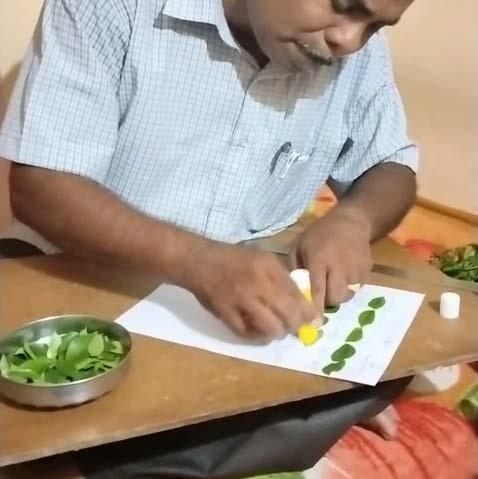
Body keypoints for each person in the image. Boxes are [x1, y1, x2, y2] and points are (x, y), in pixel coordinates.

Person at [0, 0, 417, 476]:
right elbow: (41, 187)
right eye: (343, 5)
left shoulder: (358, 53)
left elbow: (392, 165)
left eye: (375, 26)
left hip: (239, 298)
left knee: (399, 362)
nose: (349, 39)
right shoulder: (110, 7)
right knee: (39, 380)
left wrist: (354, 221)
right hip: (72, 273)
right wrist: (197, 262)